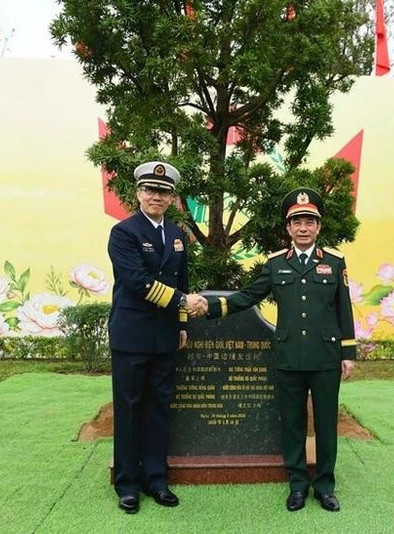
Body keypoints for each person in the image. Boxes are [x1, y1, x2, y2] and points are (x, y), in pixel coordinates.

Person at [204, 187, 356, 512]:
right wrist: (211, 307)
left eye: (309, 221)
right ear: (288, 228)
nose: (303, 228)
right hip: (289, 357)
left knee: (326, 424)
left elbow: (344, 309)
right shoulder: (276, 265)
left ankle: (325, 486)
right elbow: (247, 296)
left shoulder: (334, 261)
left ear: (319, 226)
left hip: (326, 358)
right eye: (297, 222)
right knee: (292, 423)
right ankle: (298, 485)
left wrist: (348, 353)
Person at [107, 161, 206, 514]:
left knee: (159, 408)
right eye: (150, 190)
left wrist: (181, 324)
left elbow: (182, 280)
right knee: (130, 409)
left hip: (165, 337)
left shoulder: (178, 235)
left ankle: (156, 479)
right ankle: (128, 484)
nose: (156, 196)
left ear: (172, 198)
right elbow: (136, 282)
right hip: (131, 336)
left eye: (163, 192)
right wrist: (183, 302)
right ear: (138, 193)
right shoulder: (124, 233)